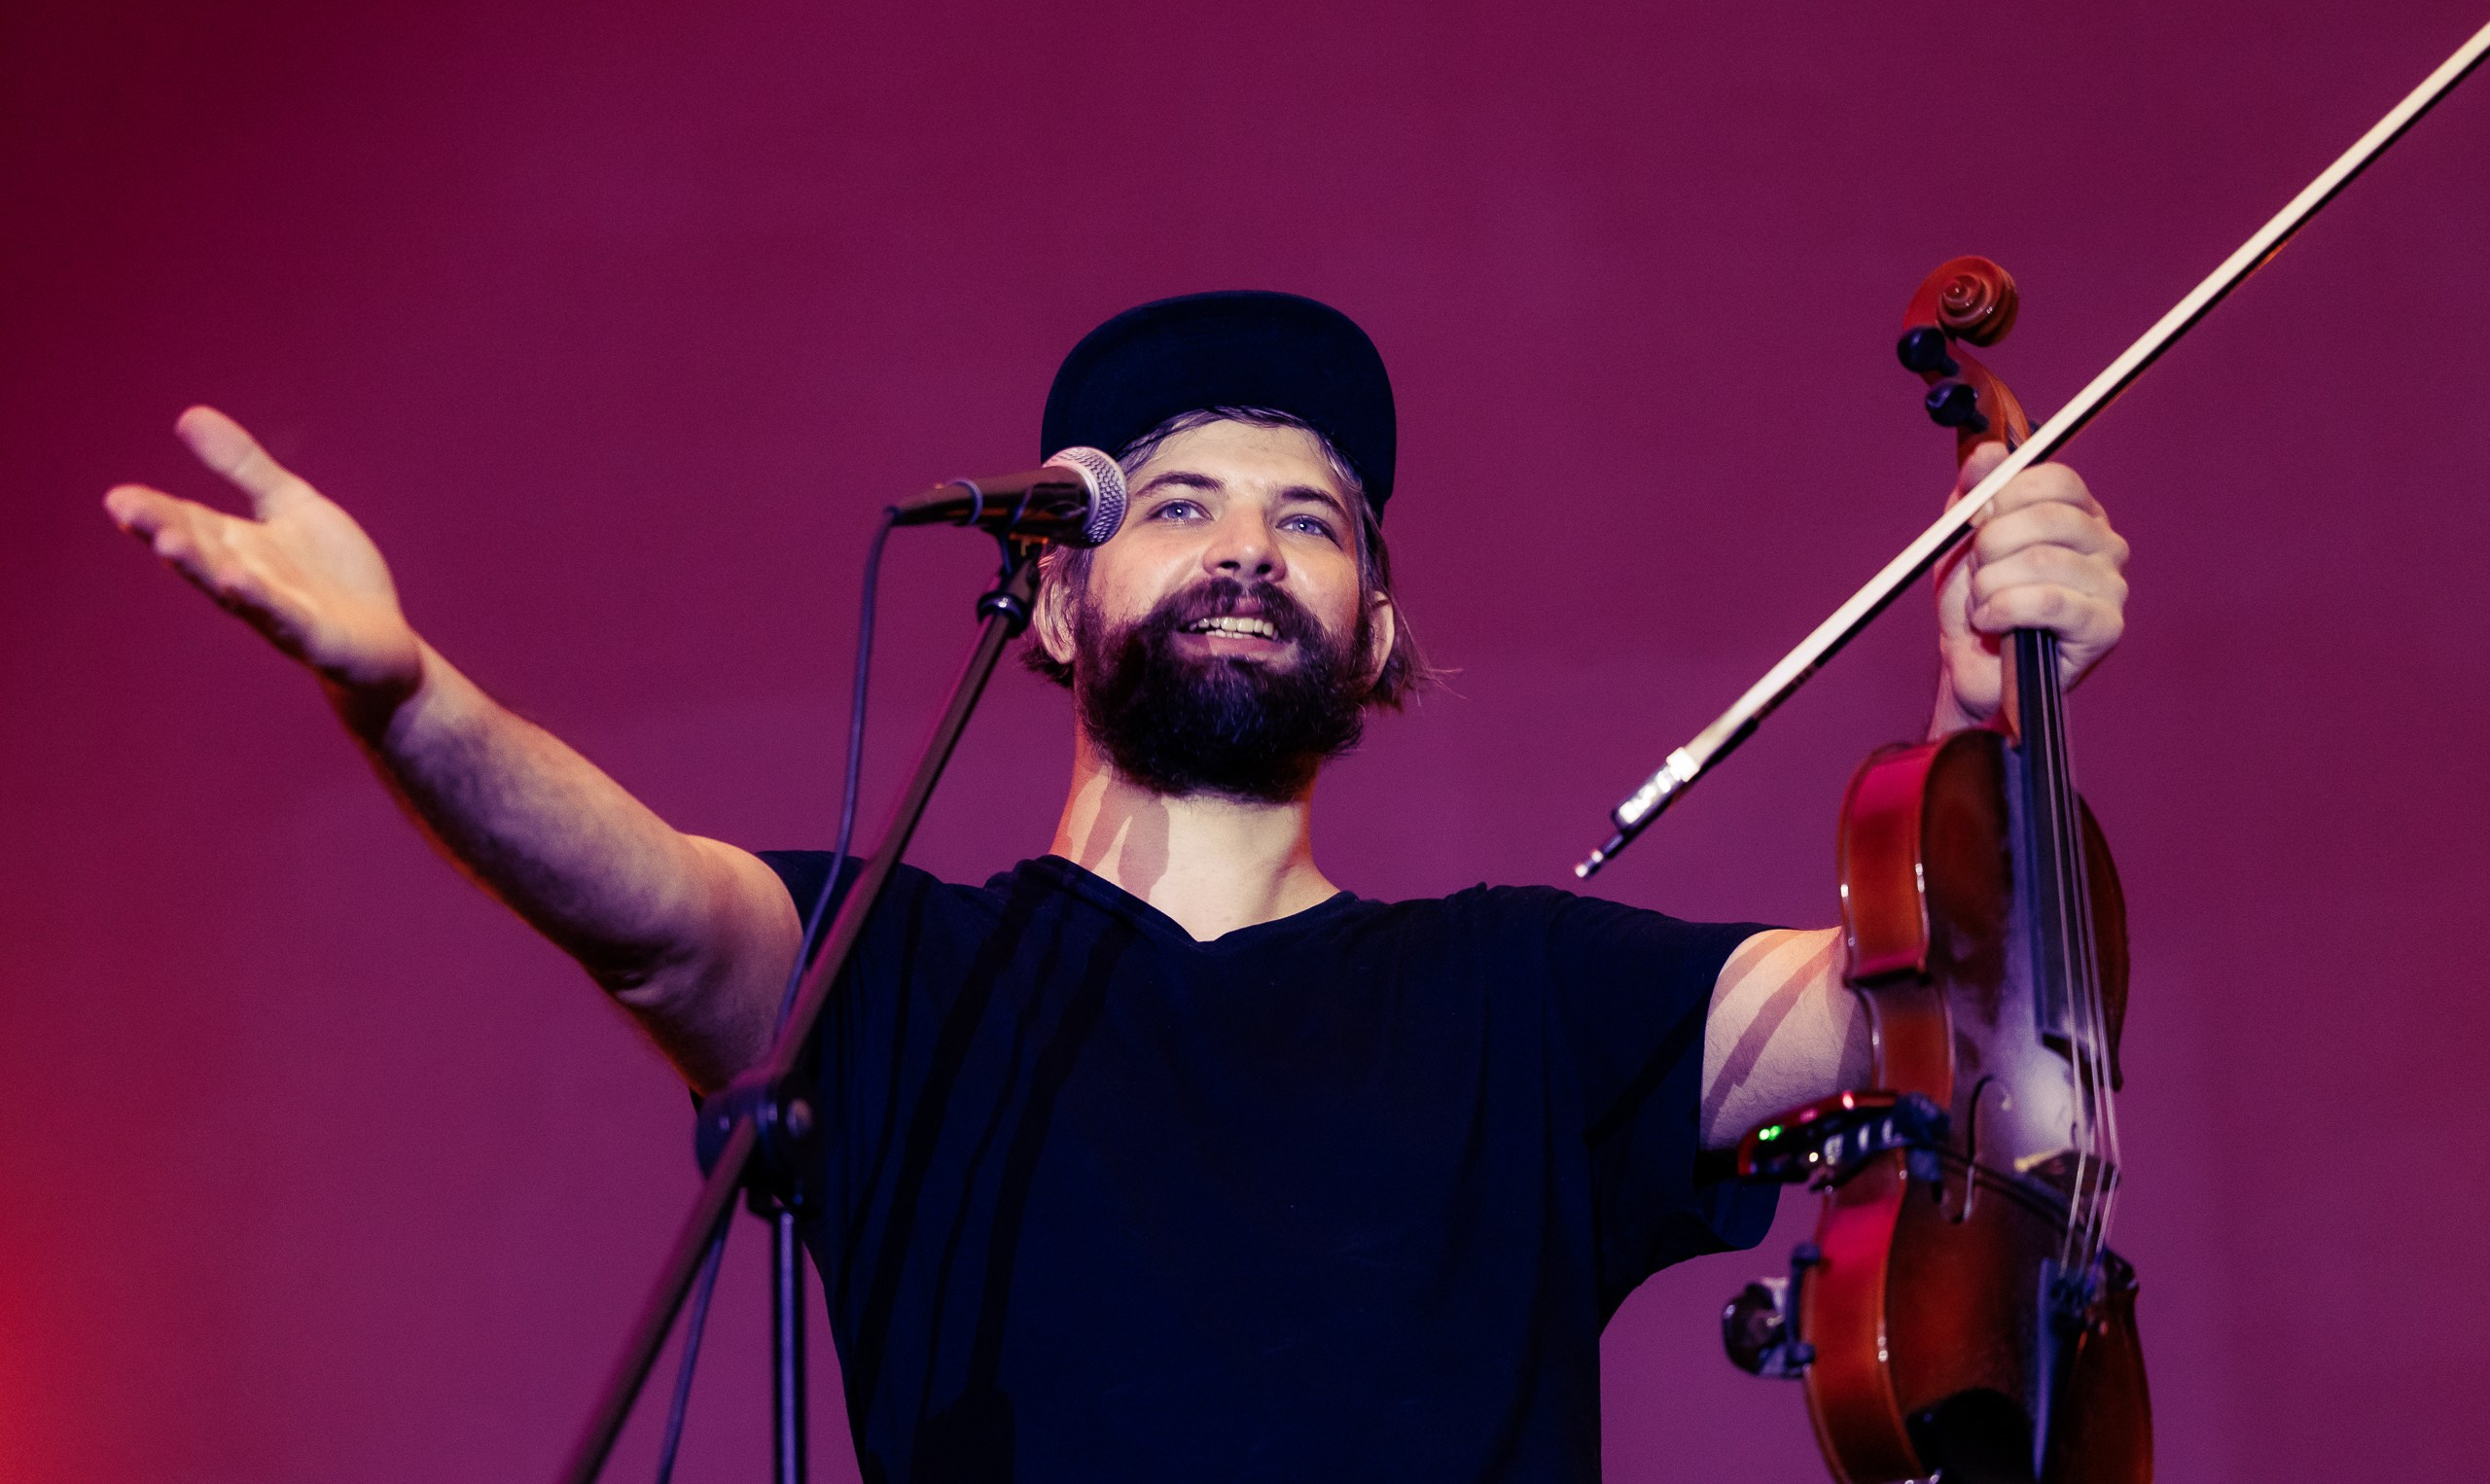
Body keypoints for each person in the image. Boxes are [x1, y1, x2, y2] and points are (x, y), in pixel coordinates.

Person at [103, 291, 2130, 1482]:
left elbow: (1966, 1033)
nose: (1244, 546)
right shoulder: (897, 976)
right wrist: (405, 693)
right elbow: (642, 899)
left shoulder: (1529, 998)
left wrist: (1992, 722)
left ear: (1376, 631)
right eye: (1175, 504)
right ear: (1057, 602)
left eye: (1306, 520)